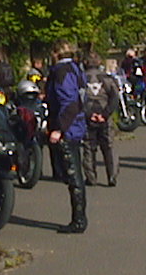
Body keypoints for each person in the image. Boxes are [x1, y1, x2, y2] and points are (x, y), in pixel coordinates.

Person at [45, 40, 88, 233]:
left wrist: (59, 128)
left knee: (73, 175)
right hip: (77, 124)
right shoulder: (76, 68)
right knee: (73, 174)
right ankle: (79, 218)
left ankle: (79, 220)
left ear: (56, 53)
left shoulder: (62, 71)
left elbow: (69, 102)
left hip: (69, 127)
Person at [81, 53, 119, 187]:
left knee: (89, 147)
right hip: (105, 117)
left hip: (88, 117)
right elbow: (115, 97)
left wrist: (88, 114)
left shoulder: (80, 78)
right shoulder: (108, 78)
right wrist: (105, 114)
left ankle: (91, 177)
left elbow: (77, 99)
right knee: (108, 146)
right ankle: (112, 176)